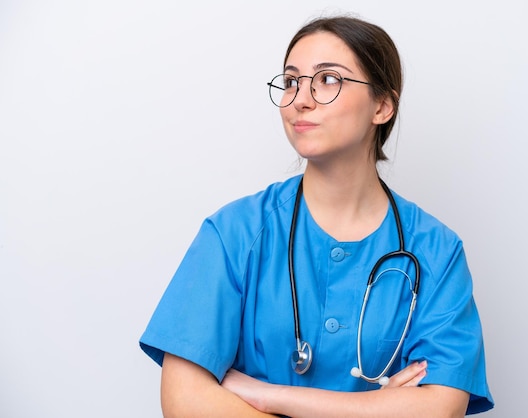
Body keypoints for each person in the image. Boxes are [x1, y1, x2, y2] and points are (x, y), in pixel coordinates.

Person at [139, 15, 494, 417]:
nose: (300, 99)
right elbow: (184, 401)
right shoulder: (235, 232)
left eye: (328, 80)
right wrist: (379, 407)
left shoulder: (436, 251)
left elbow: (438, 409)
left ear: (382, 105)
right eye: (291, 82)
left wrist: (268, 395)